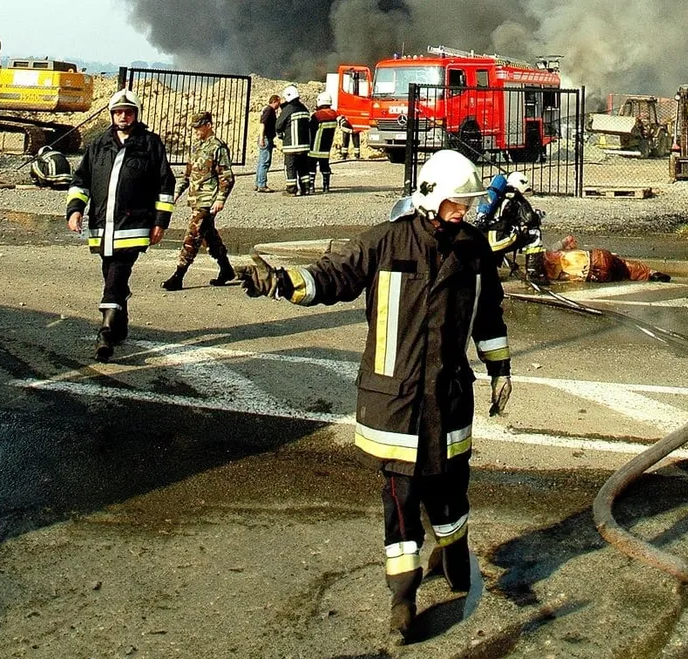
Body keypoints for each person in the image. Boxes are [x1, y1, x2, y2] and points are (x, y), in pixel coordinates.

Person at [236, 149, 512, 643]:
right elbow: (331, 276)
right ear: (430, 198)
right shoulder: (384, 242)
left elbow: (488, 315)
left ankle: (453, 548)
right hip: (395, 400)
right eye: (456, 204)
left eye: (466, 205)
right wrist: (279, 282)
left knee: (450, 486)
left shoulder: (473, 249)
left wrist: (500, 369)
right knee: (401, 497)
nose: (463, 213)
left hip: (448, 396)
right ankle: (402, 595)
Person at [66, 88, 176, 362]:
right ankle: (121, 323)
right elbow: (81, 181)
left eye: (128, 112)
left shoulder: (150, 144)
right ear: (111, 115)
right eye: (118, 112)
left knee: (116, 274)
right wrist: (75, 210)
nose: (123, 116)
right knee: (111, 273)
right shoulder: (98, 144)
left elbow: (166, 184)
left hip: (134, 226)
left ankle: (105, 333)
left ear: (136, 115)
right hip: (103, 226)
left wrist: (161, 221)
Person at [160, 111, 236, 291]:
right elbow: (188, 175)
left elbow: (227, 177)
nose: (195, 131)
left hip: (207, 202)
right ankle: (226, 269)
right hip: (195, 199)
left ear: (208, 125)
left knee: (192, 236)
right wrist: (176, 193)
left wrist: (220, 199)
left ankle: (178, 276)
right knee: (209, 237)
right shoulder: (196, 147)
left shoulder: (218, 147)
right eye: (193, 127)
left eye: (198, 127)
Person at [537, 235, 671, 283]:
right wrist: (570, 246)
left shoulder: (550, 275)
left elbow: (567, 278)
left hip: (594, 275)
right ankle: (651, 273)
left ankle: (646, 274)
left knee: (621, 273)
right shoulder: (550, 251)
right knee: (625, 267)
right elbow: (570, 239)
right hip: (596, 257)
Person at [275, 85, 311, 196]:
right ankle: (306, 188)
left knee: (290, 167)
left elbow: (278, 125)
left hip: (291, 146)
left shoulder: (288, 109)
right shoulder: (304, 108)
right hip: (304, 146)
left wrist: (280, 134)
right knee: (303, 168)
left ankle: (291, 189)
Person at [308, 91, 341, 193]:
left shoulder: (317, 116)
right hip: (326, 147)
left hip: (315, 146)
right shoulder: (334, 114)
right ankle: (326, 187)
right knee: (325, 166)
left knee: (311, 167)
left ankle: (311, 187)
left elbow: (311, 129)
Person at [255, 94, 281, 193]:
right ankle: (262, 184)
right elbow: (263, 124)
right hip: (265, 138)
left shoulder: (267, 110)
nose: (280, 104)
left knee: (261, 161)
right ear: (275, 101)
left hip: (266, 138)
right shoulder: (269, 110)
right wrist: (262, 137)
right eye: (279, 102)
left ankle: (258, 183)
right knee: (265, 161)